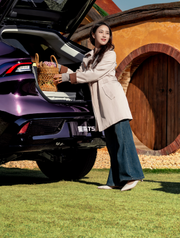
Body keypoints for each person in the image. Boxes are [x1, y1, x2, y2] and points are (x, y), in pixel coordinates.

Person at [55, 21, 144, 191]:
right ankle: (116, 180)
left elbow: (93, 74)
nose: (104, 35)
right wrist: (58, 68)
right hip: (101, 104)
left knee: (123, 140)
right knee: (112, 143)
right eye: (101, 32)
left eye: (107, 33)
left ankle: (133, 176)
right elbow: (80, 74)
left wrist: (67, 78)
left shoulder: (110, 54)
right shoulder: (88, 56)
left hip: (113, 101)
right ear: (93, 35)